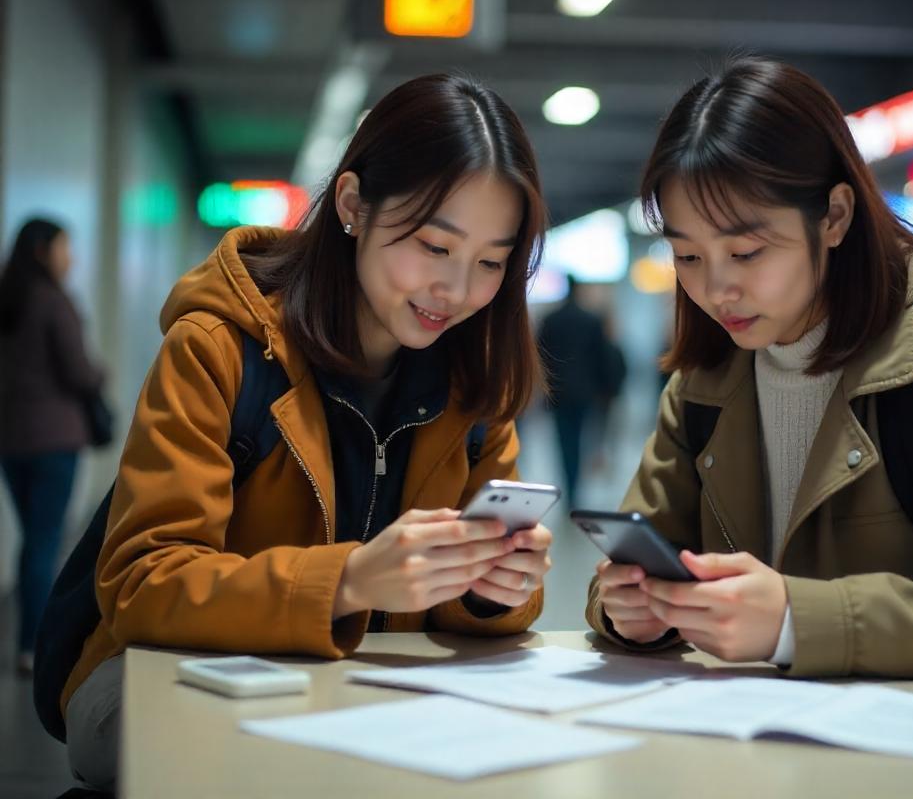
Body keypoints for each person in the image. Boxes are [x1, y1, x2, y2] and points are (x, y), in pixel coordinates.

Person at [61, 74, 554, 792]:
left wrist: (490, 591)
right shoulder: (220, 348)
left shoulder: (476, 385)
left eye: (490, 263)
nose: (456, 290)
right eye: (432, 245)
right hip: (174, 673)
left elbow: (461, 611)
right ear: (354, 206)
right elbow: (143, 585)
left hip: (371, 690)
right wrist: (348, 581)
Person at [587, 58, 913, 686]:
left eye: (745, 252)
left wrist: (800, 620)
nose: (715, 289)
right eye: (687, 254)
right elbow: (639, 558)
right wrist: (628, 607)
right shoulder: (704, 386)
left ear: (834, 217)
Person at [0, 218, 106, 676]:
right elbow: (81, 373)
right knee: (46, 542)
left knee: (32, 540)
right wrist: (102, 374)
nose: (72, 257)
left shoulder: (7, 303)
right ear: (44, 250)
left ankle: (27, 641)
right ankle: (37, 647)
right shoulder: (54, 301)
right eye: (66, 247)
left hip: (11, 440)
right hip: (55, 441)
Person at [537, 275, 616, 505]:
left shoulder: (551, 320)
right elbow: (602, 356)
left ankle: (569, 485)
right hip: (585, 391)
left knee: (563, 441)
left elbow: (541, 357)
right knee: (581, 439)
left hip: (558, 392)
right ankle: (575, 490)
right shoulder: (591, 320)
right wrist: (607, 388)